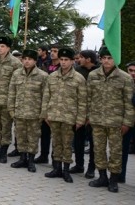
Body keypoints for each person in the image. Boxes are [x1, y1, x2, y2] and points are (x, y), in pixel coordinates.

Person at [87, 47, 134, 193]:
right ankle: (102, 177)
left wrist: (127, 122)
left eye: (110, 58)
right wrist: (88, 116)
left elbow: (129, 103)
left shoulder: (125, 78)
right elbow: (88, 98)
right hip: (97, 120)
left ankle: (114, 180)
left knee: (116, 152)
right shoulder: (93, 75)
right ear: (100, 59)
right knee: (99, 150)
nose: (106, 61)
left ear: (115, 59)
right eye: (104, 58)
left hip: (116, 122)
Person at [41, 47, 87, 183]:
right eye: (61, 59)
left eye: (66, 60)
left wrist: (80, 119)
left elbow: (83, 101)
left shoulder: (79, 79)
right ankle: (57, 168)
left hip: (69, 118)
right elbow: (46, 96)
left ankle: (66, 170)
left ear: (73, 61)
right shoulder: (52, 76)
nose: (63, 62)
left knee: (67, 145)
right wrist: (45, 114)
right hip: (54, 116)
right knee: (56, 143)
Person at [8, 49, 48, 172]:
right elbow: (12, 92)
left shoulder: (42, 76)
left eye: (29, 59)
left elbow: (45, 96)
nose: (26, 61)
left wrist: (43, 113)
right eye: (24, 59)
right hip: (19, 111)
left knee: (33, 138)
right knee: (20, 136)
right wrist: (11, 109)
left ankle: (31, 161)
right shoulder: (16, 74)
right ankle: (22, 158)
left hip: (34, 113)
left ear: (35, 61)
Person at [72, 50, 100, 178]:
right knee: (78, 141)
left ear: (88, 59)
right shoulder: (77, 70)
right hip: (78, 111)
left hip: (94, 112)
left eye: (82, 57)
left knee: (94, 143)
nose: (79, 59)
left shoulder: (99, 72)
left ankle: (91, 168)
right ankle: (79, 165)